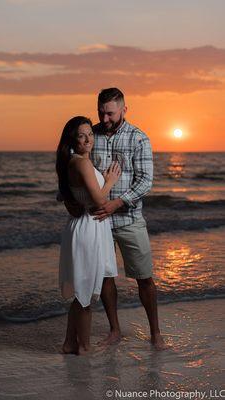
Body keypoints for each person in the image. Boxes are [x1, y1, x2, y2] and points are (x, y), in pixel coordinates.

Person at [65, 88, 167, 350]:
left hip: (129, 219)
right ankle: (114, 330)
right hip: (98, 223)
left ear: (124, 109)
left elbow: (145, 181)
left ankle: (155, 333)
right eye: (101, 111)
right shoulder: (90, 135)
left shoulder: (138, 139)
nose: (104, 117)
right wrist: (68, 199)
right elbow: (75, 168)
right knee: (106, 278)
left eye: (110, 112)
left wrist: (117, 203)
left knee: (144, 277)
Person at [56, 116, 121, 355]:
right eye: (82, 136)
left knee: (83, 289)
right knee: (85, 292)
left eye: (90, 134)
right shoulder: (81, 163)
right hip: (88, 228)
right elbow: (100, 200)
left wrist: (98, 180)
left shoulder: (75, 162)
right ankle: (83, 347)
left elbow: (70, 197)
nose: (88, 140)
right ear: (72, 139)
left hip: (88, 225)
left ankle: (70, 343)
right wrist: (110, 180)